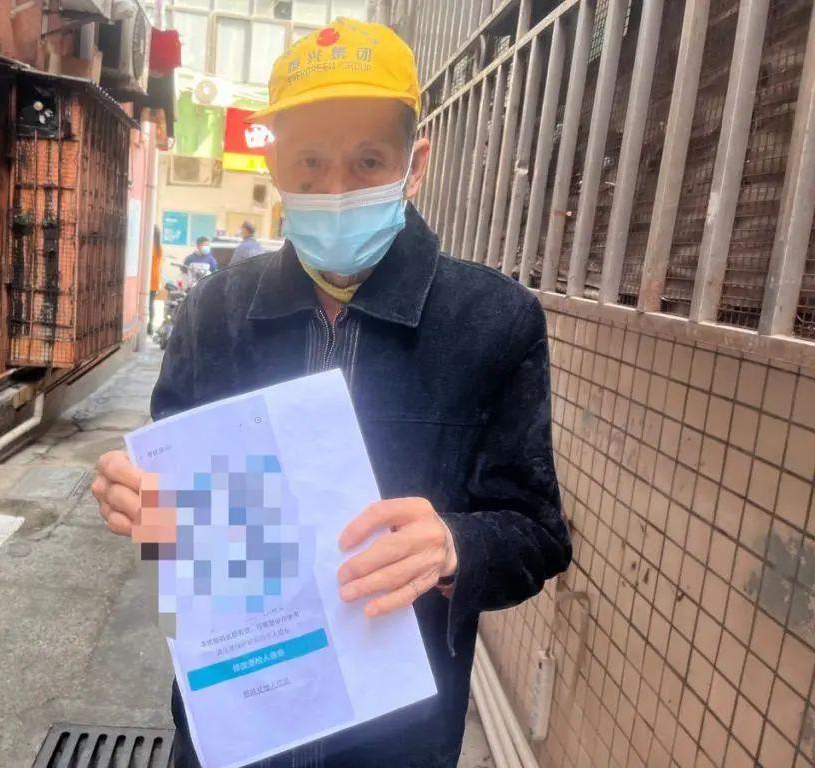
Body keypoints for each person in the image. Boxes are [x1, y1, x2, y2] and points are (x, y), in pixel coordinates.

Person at [92, 17, 570, 768]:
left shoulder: (493, 322)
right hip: (236, 720)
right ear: (276, 162)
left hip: (395, 740)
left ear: (415, 164)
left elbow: (536, 532)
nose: (335, 189)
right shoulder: (216, 312)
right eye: (310, 161)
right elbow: (175, 501)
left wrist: (454, 544)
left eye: (368, 160)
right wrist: (140, 502)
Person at [148, 226, 163, 335]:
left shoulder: (149, 246)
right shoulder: (159, 248)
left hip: (150, 280)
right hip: (154, 281)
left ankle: (149, 326)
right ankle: (150, 326)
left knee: (148, 305)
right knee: (150, 305)